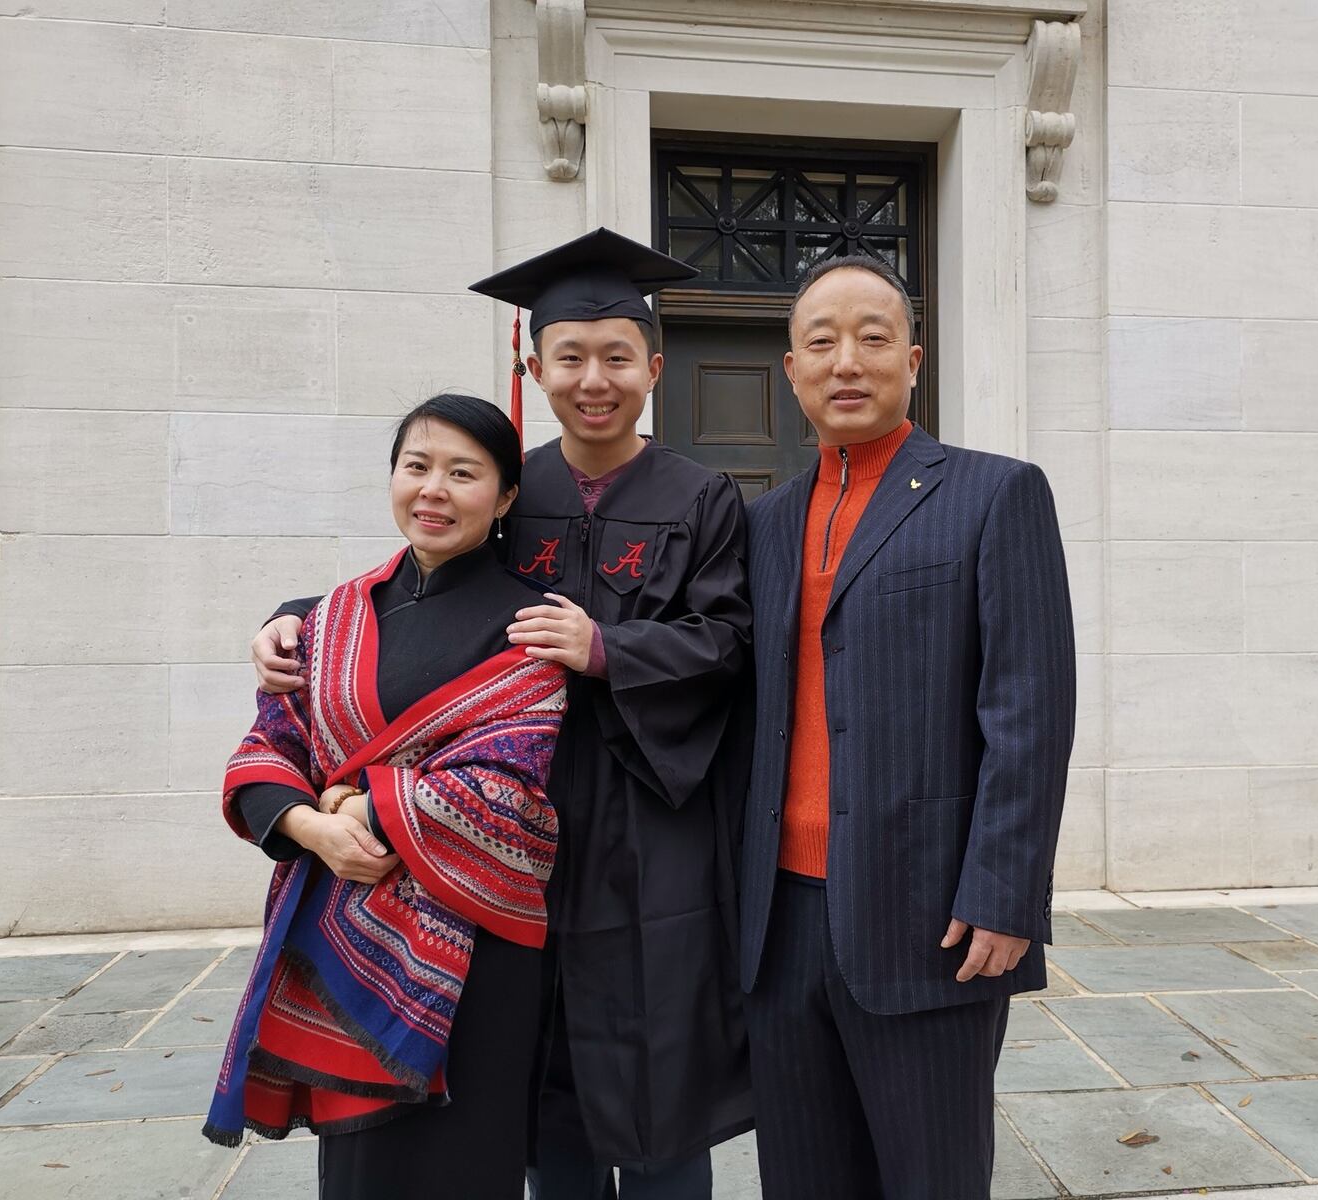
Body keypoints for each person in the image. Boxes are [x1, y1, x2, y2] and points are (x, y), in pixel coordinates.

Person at [251, 229, 753, 1199]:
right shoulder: (510, 483)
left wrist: (608, 648)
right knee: (536, 1077)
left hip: (650, 836)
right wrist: (292, 618)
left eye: (616, 356)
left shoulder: (703, 496)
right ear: (533, 363)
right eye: (570, 356)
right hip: (508, 836)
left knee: (655, 1084)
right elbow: (421, 577)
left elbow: (731, 641)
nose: (592, 378)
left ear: (654, 365)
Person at [737, 256, 1077, 1200]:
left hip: (930, 916)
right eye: (822, 342)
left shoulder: (995, 494)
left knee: (932, 1178)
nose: (849, 360)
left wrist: (1007, 890)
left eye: (874, 338)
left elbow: (1030, 711)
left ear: (914, 360)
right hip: (780, 923)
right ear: (792, 371)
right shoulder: (761, 524)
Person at [204, 394, 567, 1200]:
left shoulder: (530, 627)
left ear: (506, 497)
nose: (433, 489)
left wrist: (364, 806)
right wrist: (311, 825)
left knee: (466, 1165)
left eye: (464, 473)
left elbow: (506, 785)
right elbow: (270, 744)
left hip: (476, 951)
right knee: (361, 1172)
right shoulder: (330, 616)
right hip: (345, 927)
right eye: (417, 466)